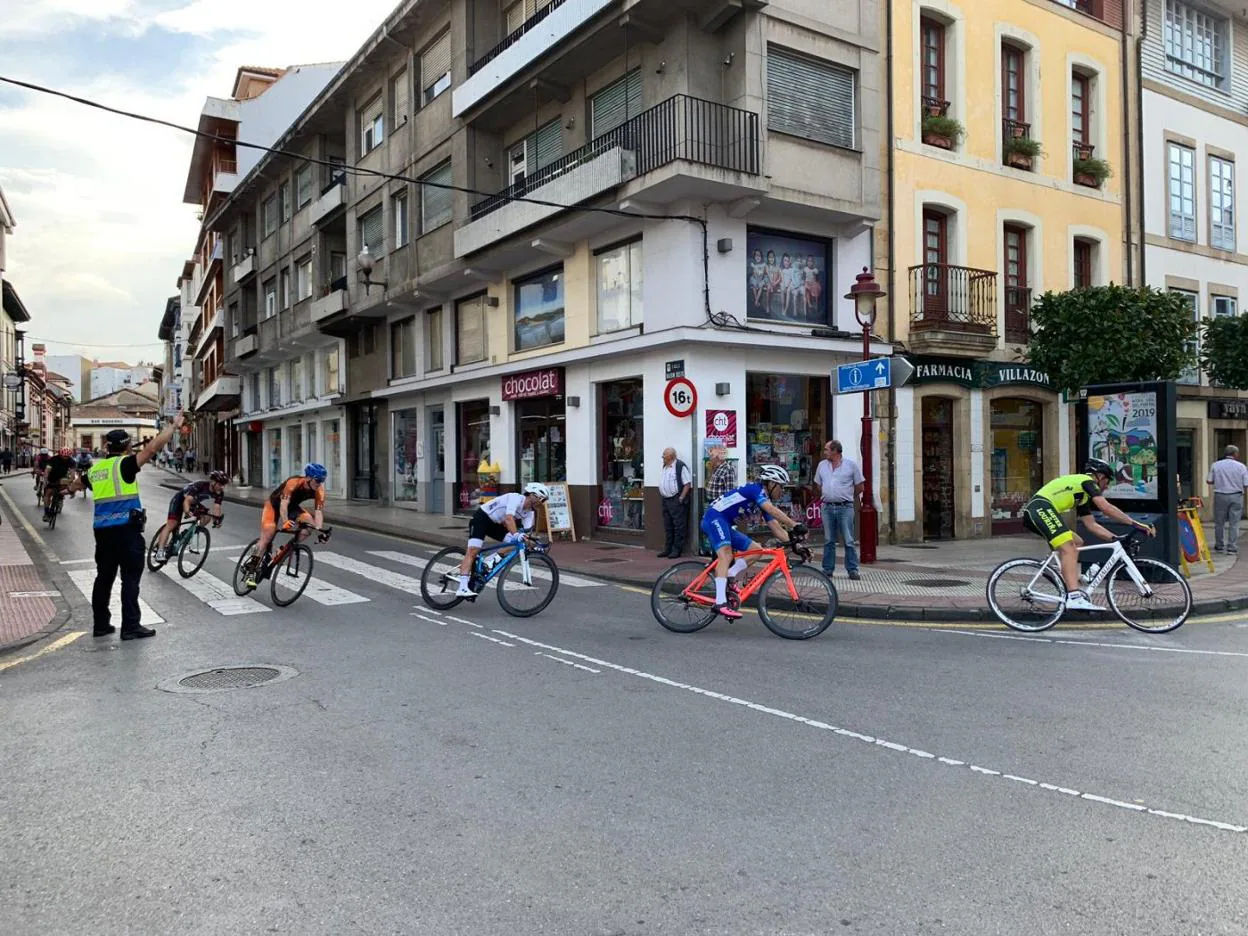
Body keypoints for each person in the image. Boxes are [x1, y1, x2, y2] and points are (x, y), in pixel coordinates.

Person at [72, 414, 185, 640]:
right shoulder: (126, 464)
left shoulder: (95, 470)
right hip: (127, 531)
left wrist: (67, 487)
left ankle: (101, 625)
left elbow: (76, 484)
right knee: (130, 579)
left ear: (106, 446)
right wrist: (173, 427)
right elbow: (152, 448)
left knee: (103, 578)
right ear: (126, 447)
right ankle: (130, 626)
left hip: (102, 533)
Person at [1021, 458, 1156, 611]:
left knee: (1077, 542)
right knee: (1069, 548)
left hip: (1041, 511)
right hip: (1040, 508)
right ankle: (1074, 597)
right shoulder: (1087, 481)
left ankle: (1065, 580)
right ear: (1099, 476)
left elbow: (1091, 525)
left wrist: (1115, 538)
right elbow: (1105, 508)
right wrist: (1136, 524)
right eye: (1107, 481)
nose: (1106, 486)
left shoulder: (1082, 496)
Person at [699, 464, 805, 619]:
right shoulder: (756, 490)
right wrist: (795, 524)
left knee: (757, 550)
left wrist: (799, 546)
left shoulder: (763, 501)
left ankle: (730, 574)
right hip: (714, 518)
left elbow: (777, 529)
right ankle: (720, 603)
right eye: (781, 487)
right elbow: (772, 510)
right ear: (771, 483)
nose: (782, 491)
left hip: (725, 524)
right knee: (726, 555)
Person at [454, 482, 550, 597]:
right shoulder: (515, 498)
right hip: (482, 518)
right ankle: (462, 588)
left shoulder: (529, 514)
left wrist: (534, 546)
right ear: (533, 495)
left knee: (516, 543)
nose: (542, 503)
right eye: (542, 500)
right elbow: (509, 518)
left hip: (495, 524)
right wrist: (516, 534)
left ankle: (489, 561)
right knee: (473, 550)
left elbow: (526, 536)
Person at [246, 463, 327, 588]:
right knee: (269, 532)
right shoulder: (294, 482)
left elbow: (319, 512)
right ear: (308, 478)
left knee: (310, 524)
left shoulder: (319, 489)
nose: (319, 483)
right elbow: (283, 504)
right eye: (317, 480)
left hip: (292, 507)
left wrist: (320, 531)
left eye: (322, 481)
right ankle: (251, 569)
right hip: (274, 505)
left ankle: (285, 549)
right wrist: (285, 521)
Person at [812, 440, 865, 581]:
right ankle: (828, 569)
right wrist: (828, 493)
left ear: (835, 451)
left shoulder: (850, 465)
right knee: (829, 539)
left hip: (845, 507)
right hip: (827, 507)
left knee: (848, 540)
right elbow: (818, 484)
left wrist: (847, 496)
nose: (824, 452)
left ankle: (852, 569)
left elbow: (860, 486)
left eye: (826, 450)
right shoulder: (822, 465)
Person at [154, 470, 227, 561]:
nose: (222, 487)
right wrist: (187, 511)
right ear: (213, 482)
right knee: (172, 524)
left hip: (193, 503)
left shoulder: (219, 492)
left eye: (223, 485)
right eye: (220, 484)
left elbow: (217, 507)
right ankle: (160, 552)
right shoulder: (200, 485)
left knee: (207, 516)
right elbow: (187, 500)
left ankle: (188, 534)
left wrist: (217, 520)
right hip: (180, 500)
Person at [1206, 444, 1248, 554]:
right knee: (1234, 523)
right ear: (1235, 454)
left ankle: (1219, 545)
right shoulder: (1241, 466)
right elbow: (1246, 483)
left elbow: (1209, 481)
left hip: (1220, 495)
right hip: (1236, 495)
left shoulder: (1215, 465)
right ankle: (1232, 547)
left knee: (1219, 522)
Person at [657, 447, 693, 558]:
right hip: (666, 500)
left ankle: (676, 550)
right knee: (668, 526)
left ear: (671, 456)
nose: (662, 457)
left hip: (676, 500)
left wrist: (681, 498)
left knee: (679, 526)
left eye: (664, 455)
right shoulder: (665, 466)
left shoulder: (680, 466)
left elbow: (687, 484)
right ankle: (668, 549)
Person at [42, 447, 77, 520]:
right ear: (60, 455)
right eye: (64, 456)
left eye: (67, 456)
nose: (65, 458)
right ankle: (46, 512)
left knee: (64, 487)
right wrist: (45, 479)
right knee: (48, 493)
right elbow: (47, 470)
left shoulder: (71, 461)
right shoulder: (53, 459)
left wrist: (70, 481)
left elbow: (72, 473)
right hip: (52, 477)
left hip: (62, 478)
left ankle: (60, 498)